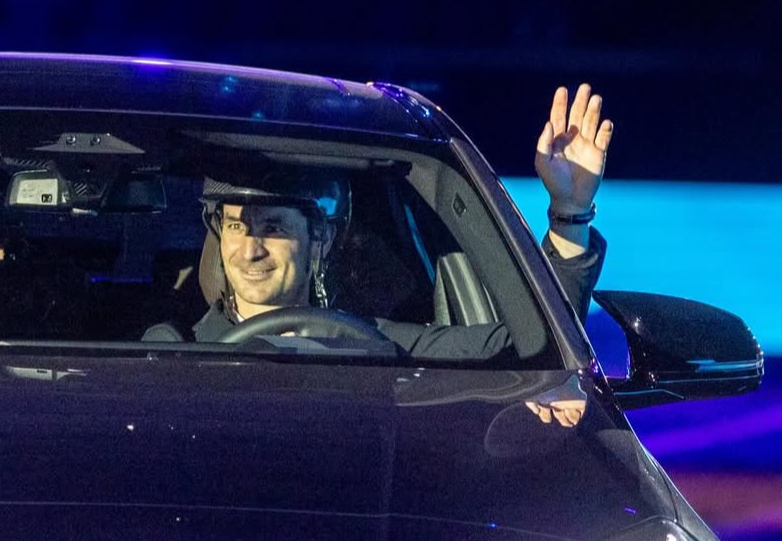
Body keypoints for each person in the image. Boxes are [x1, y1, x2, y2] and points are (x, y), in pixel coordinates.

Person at [146, 84, 612, 356]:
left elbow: (528, 349)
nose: (249, 249)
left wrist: (569, 213)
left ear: (320, 239)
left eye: (274, 227)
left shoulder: (376, 346)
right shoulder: (172, 351)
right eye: (234, 226)